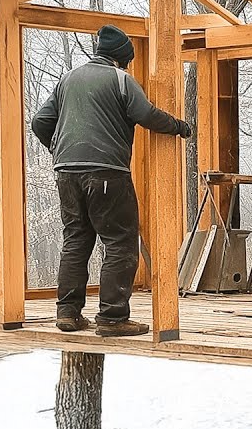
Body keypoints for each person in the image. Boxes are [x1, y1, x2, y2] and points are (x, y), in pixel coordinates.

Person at [31, 24, 191, 337]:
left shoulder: (68, 79)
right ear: (121, 58)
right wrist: (178, 126)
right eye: (128, 60)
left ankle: (68, 314)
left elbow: (40, 121)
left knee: (76, 240)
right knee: (120, 242)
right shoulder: (121, 80)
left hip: (66, 172)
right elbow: (146, 115)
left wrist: (56, 148)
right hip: (106, 173)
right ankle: (112, 318)